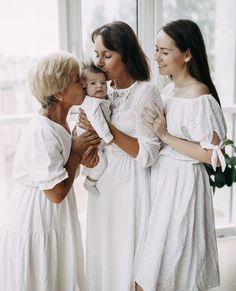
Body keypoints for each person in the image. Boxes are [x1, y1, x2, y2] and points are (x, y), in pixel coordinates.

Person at [134, 19, 227, 291]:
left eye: (165, 51)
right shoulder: (167, 90)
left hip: (184, 186)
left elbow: (213, 156)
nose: (157, 57)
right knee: (153, 267)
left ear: (186, 54)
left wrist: (164, 135)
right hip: (163, 181)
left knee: (174, 265)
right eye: (156, 49)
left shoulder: (200, 96)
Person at [0, 51, 100, 291]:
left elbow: (63, 166)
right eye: (77, 79)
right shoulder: (41, 132)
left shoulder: (62, 122)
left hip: (55, 218)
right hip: (37, 219)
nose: (84, 83)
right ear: (58, 93)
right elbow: (56, 194)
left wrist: (81, 158)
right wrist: (76, 153)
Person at [78, 21, 162, 291]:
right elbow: (94, 141)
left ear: (126, 54)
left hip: (131, 188)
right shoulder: (101, 92)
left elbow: (147, 153)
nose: (99, 61)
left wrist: (106, 129)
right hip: (104, 189)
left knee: (127, 257)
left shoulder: (145, 92)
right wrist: (86, 153)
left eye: (107, 54)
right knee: (104, 256)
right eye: (96, 54)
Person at [76, 61, 112, 196]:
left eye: (103, 83)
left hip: (96, 142)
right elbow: (98, 122)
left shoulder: (100, 100)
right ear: (84, 86)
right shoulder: (91, 103)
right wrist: (108, 138)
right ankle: (89, 183)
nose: (99, 86)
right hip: (89, 143)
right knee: (101, 163)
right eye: (93, 83)